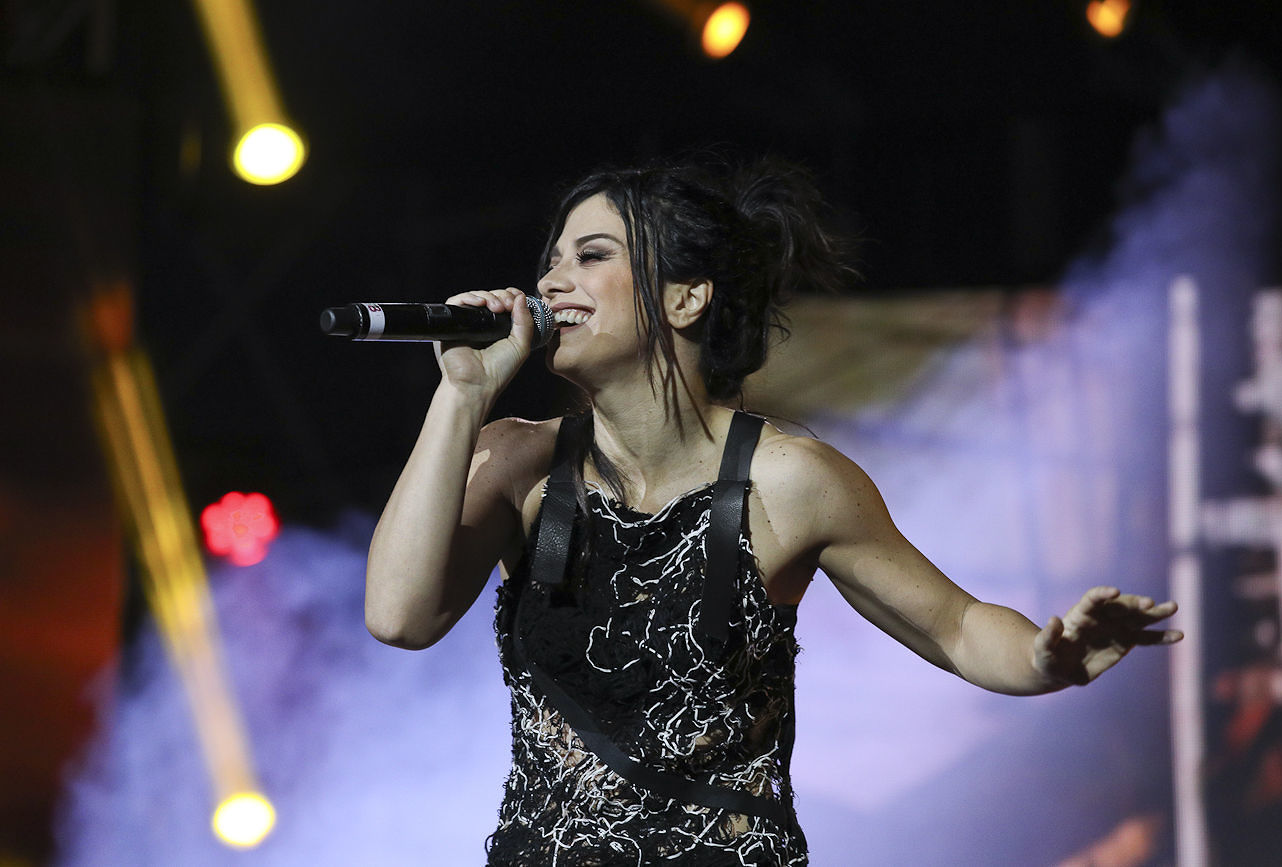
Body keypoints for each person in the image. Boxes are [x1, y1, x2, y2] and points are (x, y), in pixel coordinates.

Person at [364, 156, 1183, 866]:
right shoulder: (517, 462)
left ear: (686, 298)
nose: (549, 283)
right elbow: (399, 616)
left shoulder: (790, 479)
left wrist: (1045, 656)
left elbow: (958, 626)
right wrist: (461, 393)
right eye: (550, 262)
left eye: (592, 254)